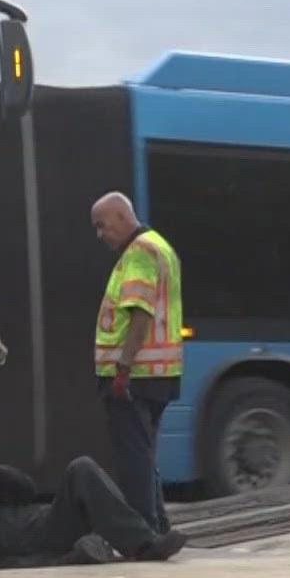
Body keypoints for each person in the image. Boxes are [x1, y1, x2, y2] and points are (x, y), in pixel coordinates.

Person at [0, 443, 188, 570]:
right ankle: (144, 545)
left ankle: (142, 538)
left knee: (83, 470)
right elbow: (18, 563)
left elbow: (24, 489)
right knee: (82, 468)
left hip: (54, 516)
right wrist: (68, 558)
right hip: (52, 536)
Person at [90, 191, 184, 534]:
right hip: (160, 372)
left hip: (136, 375)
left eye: (102, 226)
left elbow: (140, 312)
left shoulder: (140, 251)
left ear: (120, 216)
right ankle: (158, 525)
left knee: (134, 457)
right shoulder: (161, 246)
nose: (101, 234)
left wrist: (123, 370)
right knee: (144, 454)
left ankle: (143, 531)